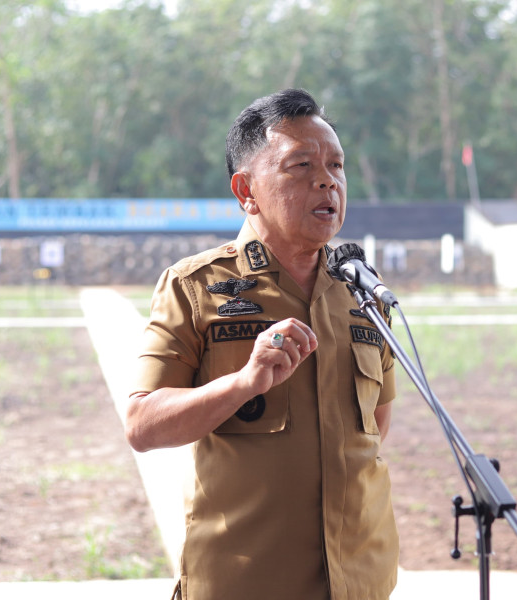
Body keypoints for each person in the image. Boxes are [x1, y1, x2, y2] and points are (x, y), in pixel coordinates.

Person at [125, 88, 399, 600]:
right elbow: (142, 424)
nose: (327, 179)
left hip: (362, 580)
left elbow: (375, 430)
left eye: (336, 165)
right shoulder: (194, 286)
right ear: (246, 190)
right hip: (245, 583)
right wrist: (244, 383)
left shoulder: (362, 291)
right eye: (300, 165)